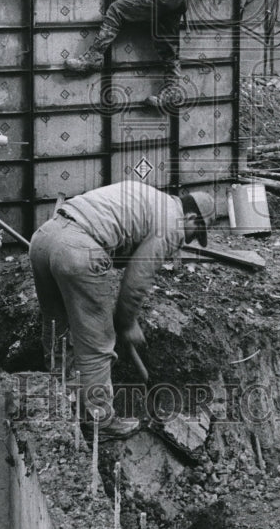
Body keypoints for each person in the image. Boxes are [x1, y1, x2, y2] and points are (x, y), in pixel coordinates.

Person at [28, 181, 215, 440]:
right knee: (97, 345)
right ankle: (100, 421)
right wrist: (125, 323)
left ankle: (63, 402)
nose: (191, 239)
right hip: (77, 250)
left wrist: (118, 315)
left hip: (44, 238)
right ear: (191, 216)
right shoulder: (172, 224)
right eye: (197, 231)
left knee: (57, 330)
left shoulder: (151, 199)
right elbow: (137, 279)